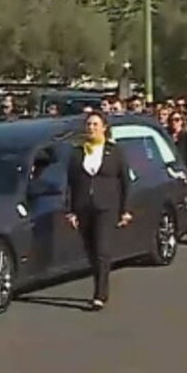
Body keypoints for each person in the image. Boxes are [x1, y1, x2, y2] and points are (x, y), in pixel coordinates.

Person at [65, 112, 132, 311]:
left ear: (104, 127)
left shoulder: (114, 151)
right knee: (91, 250)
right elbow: (70, 183)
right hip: (84, 206)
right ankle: (98, 278)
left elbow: (126, 181)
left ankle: (100, 294)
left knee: (102, 249)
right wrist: (71, 210)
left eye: (95, 124)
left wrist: (125, 210)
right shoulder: (77, 152)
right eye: (89, 124)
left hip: (107, 206)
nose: (91, 128)